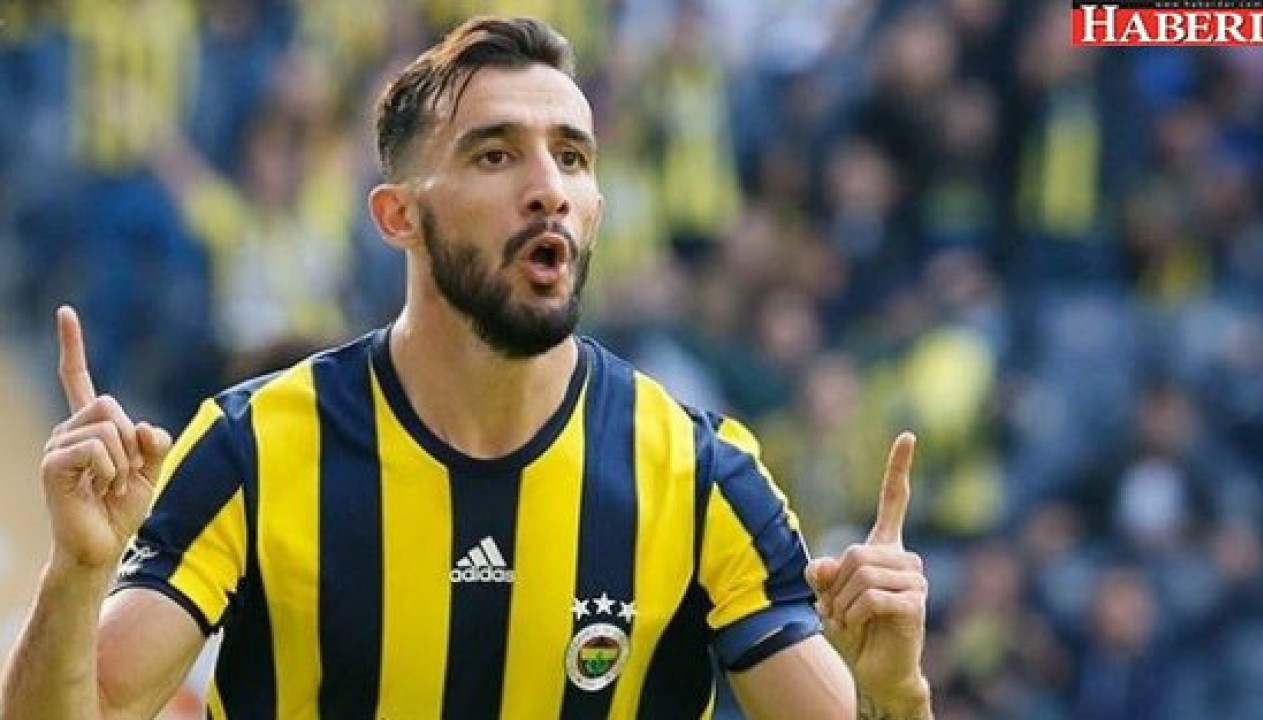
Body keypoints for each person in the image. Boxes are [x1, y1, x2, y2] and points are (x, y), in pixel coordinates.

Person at [0, 16, 931, 719]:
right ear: (398, 216)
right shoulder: (253, 450)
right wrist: (77, 574)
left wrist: (897, 697)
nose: (548, 186)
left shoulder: (700, 476)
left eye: (572, 157)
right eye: (496, 154)